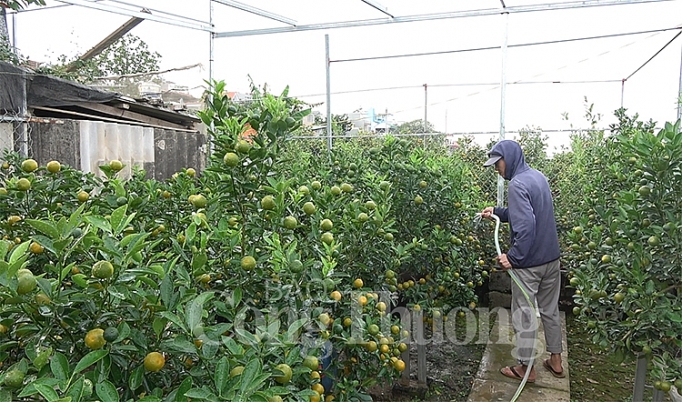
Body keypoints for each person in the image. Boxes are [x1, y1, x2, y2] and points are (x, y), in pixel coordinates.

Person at [480, 139, 564, 383]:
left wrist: (512, 257)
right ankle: (556, 361)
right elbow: (529, 213)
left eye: (498, 164)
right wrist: (497, 212)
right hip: (551, 259)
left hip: (529, 264)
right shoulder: (538, 177)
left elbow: (526, 226)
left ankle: (525, 369)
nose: (497, 169)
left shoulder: (516, 185)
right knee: (549, 310)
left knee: (524, 313)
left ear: (509, 158)